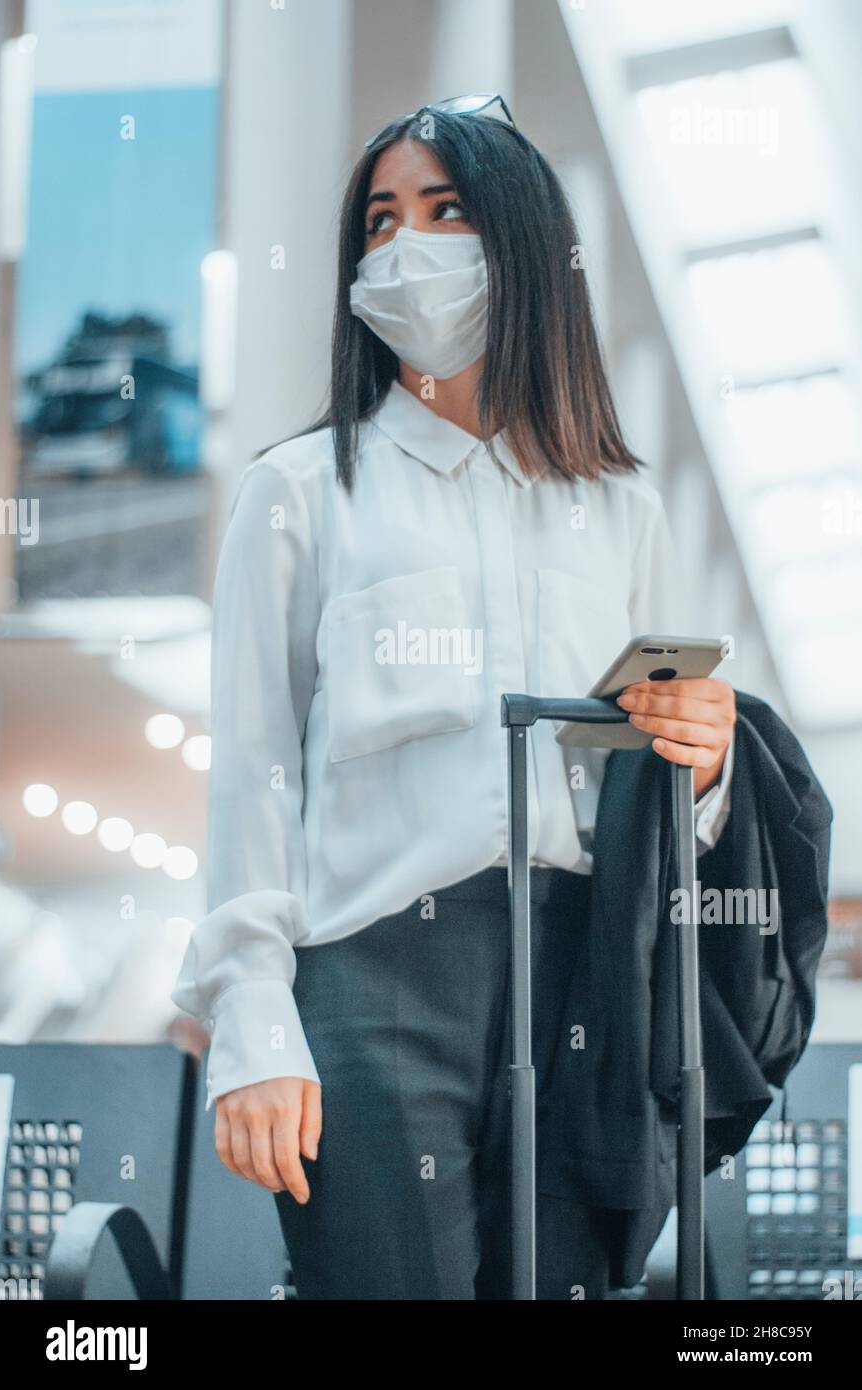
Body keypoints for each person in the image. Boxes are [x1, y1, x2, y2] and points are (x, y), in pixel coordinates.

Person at [170, 94, 737, 1300]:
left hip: (587, 975)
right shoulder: (299, 496)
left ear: (522, 241)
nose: (401, 249)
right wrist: (253, 1021)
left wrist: (706, 758)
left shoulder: (621, 513)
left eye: (444, 211)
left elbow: (658, 804)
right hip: (372, 983)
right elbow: (252, 777)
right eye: (378, 221)